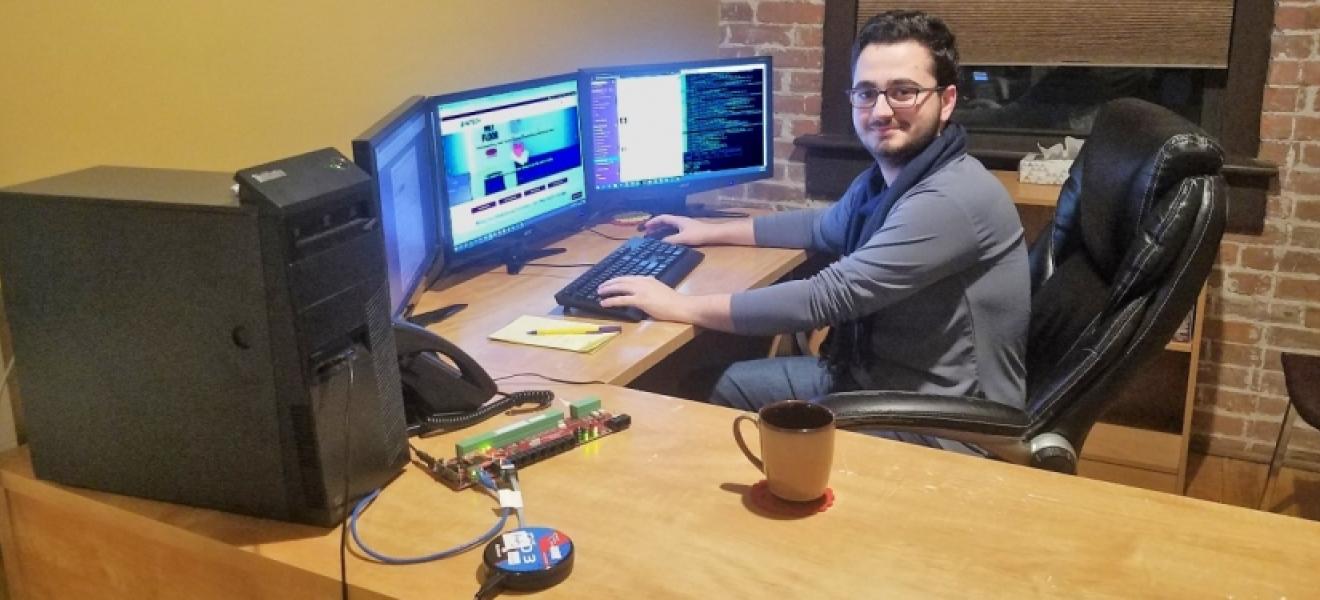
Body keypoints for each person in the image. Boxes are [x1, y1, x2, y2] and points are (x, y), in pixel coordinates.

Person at [597, 10, 1029, 449]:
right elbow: (821, 226)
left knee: (702, 393)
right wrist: (706, 230)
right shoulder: (887, 181)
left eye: (904, 92)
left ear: (947, 100)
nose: (881, 111)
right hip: (875, 378)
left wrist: (679, 306)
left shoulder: (950, 199)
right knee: (713, 385)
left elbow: (826, 296)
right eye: (867, 93)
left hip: (942, 420)